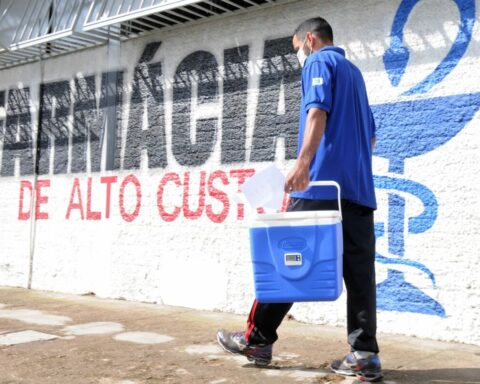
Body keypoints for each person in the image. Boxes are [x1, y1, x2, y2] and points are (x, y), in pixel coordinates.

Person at [216, 17, 382, 382]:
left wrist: (303, 165)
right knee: (359, 275)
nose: (299, 57)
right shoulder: (355, 75)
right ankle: (364, 355)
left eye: (296, 50)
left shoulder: (321, 61)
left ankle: (256, 340)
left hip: (320, 186)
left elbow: (316, 112)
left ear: (309, 39)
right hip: (358, 192)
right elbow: (370, 138)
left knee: (283, 260)